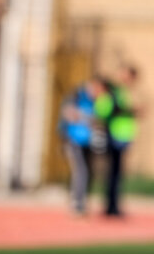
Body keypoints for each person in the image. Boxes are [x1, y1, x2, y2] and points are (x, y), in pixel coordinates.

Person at [94, 65, 140, 217]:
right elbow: (105, 109)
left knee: (117, 173)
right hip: (114, 135)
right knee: (113, 173)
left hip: (122, 136)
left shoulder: (124, 92)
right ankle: (111, 206)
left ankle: (113, 205)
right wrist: (129, 111)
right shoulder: (115, 92)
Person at [58, 77, 106, 216]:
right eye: (98, 89)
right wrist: (88, 118)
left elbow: (99, 120)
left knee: (88, 172)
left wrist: (85, 117)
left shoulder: (97, 101)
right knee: (81, 171)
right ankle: (77, 203)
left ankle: (82, 201)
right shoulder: (76, 96)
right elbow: (69, 114)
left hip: (89, 141)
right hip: (74, 140)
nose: (100, 93)